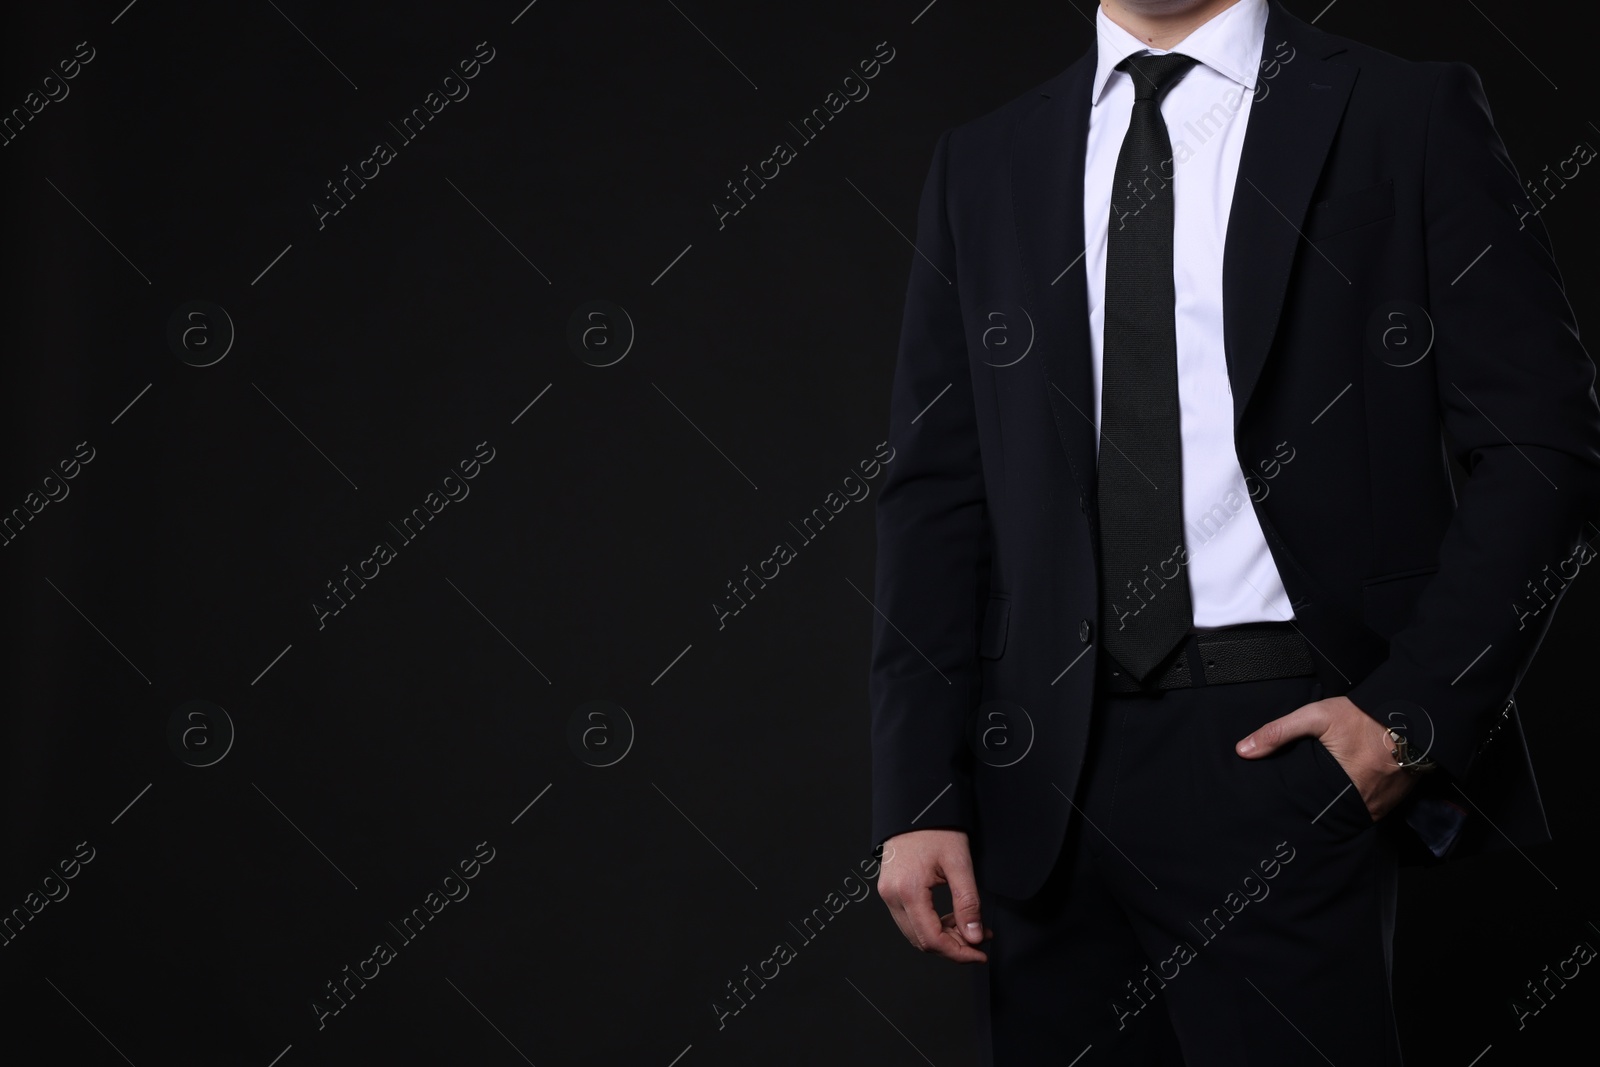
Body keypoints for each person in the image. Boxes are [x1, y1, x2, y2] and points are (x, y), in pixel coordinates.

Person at [867, 0, 1600, 1062]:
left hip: (1288, 750)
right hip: (1036, 780)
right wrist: (917, 791)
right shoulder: (984, 160)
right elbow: (936, 492)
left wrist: (1409, 716)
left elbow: (1543, 444)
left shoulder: (1402, 111)